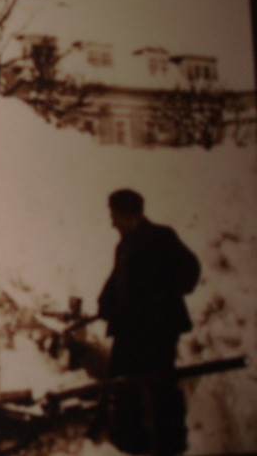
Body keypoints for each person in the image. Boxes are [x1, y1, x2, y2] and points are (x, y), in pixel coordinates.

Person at [97, 189, 200, 455]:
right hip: (130, 329)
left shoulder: (161, 237)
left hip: (158, 329)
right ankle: (131, 444)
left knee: (160, 386)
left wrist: (164, 297)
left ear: (131, 216)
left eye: (115, 217)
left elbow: (190, 269)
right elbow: (117, 280)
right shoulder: (125, 245)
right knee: (123, 383)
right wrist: (105, 303)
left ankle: (171, 444)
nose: (112, 223)